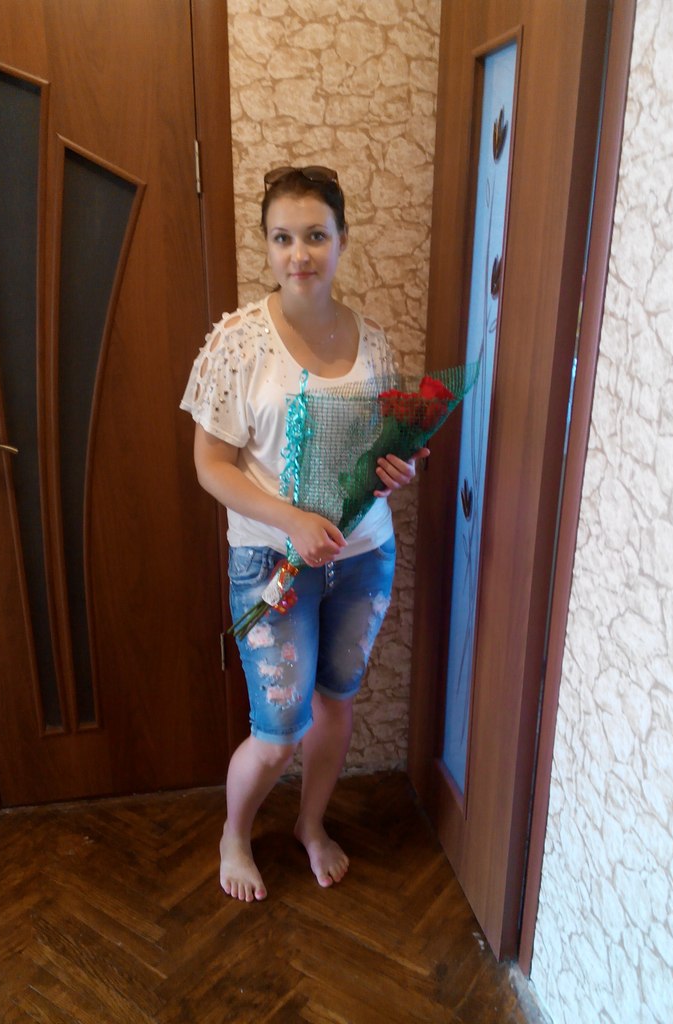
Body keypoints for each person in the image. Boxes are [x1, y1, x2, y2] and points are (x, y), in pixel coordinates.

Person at [181, 166, 429, 901]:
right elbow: (210, 466)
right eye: (283, 238)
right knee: (278, 730)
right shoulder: (238, 343)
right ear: (267, 245)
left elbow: (383, 448)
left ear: (342, 239)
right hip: (272, 564)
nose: (300, 254)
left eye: (316, 236)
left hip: (363, 558)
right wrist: (290, 520)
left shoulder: (373, 342)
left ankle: (310, 825)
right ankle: (235, 833)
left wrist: (399, 467)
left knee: (335, 704)